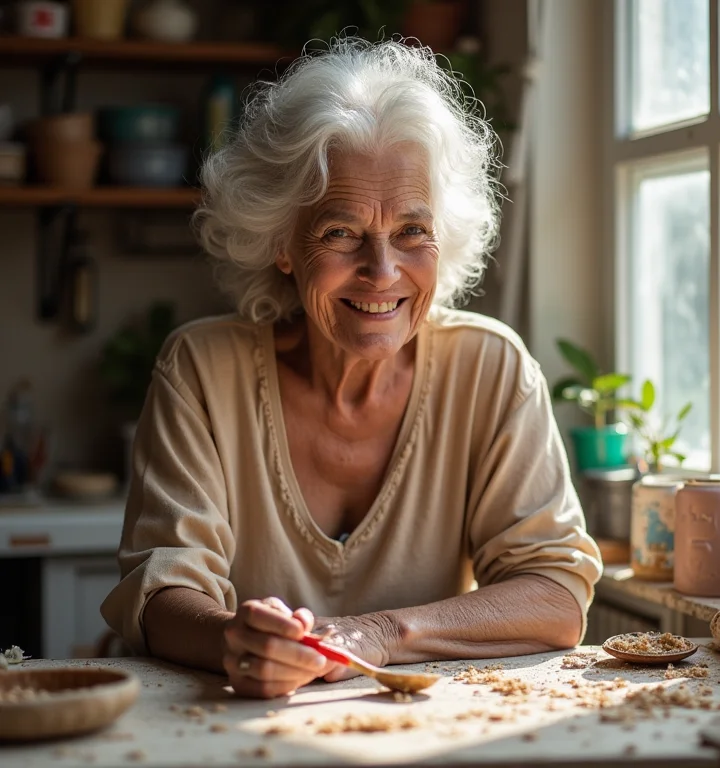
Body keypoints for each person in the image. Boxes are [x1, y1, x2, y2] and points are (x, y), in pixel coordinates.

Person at [101, 37, 602, 700]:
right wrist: (238, 642)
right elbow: (162, 592)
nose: (383, 271)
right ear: (283, 241)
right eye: (341, 232)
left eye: (412, 231)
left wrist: (379, 634)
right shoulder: (202, 369)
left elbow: (556, 597)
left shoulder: (492, 368)